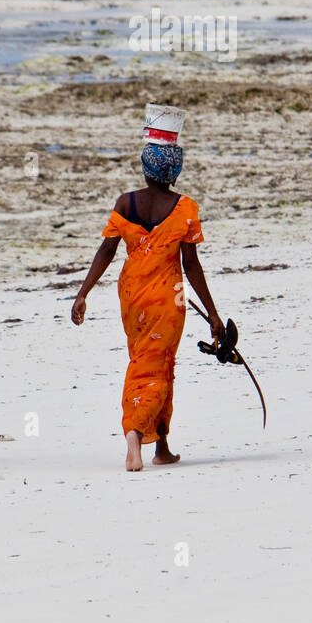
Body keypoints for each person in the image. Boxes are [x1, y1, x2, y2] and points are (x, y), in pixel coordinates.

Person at [71, 140, 223, 471]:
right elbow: (192, 265)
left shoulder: (125, 203)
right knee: (158, 363)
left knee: (147, 359)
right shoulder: (185, 209)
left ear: (145, 167)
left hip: (132, 293)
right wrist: (212, 313)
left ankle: (163, 446)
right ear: (175, 172)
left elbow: (106, 251)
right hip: (170, 297)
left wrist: (83, 293)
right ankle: (135, 432)